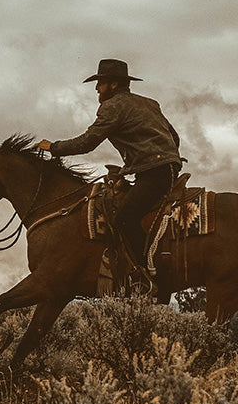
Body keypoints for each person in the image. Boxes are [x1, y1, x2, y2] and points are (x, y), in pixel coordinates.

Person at [38, 59, 181, 291]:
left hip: (153, 174)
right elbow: (174, 137)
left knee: (124, 218)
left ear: (113, 85)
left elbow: (87, 142)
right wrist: (168, 158)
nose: (97, 88)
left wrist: (53, 147)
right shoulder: (150, 103)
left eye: (100, 83)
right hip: (165, 170)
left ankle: (145, 275)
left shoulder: (113, 106)